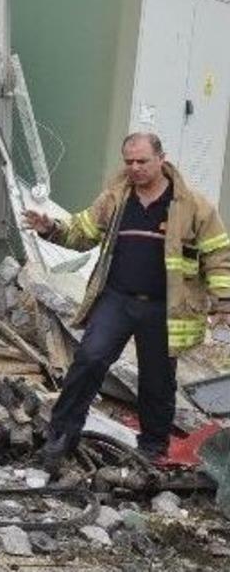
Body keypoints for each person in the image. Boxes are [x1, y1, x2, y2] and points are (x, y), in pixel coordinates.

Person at [23, 132, 230, 470]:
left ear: (161, 159)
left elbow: (219, 253)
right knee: (89, 359)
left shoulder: (193, 206)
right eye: (129, 162)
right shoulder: (115, 199)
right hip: (117, 299)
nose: (135, 168)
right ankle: (60, 437)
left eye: (142, 161)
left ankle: (151, 448)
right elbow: (81, 232)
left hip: (165, 309)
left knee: (158, 378)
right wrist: (51, 228)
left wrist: (224, 301)